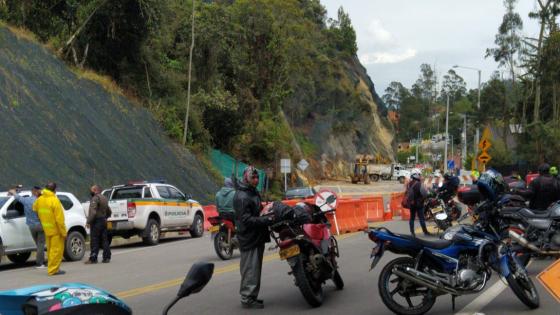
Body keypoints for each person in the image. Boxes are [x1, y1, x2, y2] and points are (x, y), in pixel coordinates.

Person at [234, 166, 275, 309]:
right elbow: (246, 220)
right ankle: (247, 298)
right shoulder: (242, 196)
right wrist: (265, 220)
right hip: (249, 238)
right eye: (253, 177)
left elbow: (255, 212)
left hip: (257, 236)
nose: (256, 180)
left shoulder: (251, 191)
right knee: (250, 269)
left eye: (257, 177)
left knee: (255, 268)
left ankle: (251, 296)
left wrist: (265, 211)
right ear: (246, 177)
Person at [33, 182, 66, 275]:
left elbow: (34, 208)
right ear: (54, 190)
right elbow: (59, 219)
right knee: (56, 251)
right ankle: (53, 270)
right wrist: (63, 232)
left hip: (47, 229)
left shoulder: (39, 199)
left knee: (50, 250)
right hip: (56, 230)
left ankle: (52, 268)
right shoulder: (54, 200)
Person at [8, 186, 45, 268]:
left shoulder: (26, 200)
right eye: (39, 191)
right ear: (36, 192)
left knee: (38, 245)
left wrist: (13, 192)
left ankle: (40, 262)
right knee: (41, 245)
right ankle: (40, 263)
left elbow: (18, 197)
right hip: (40, 225)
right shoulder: (40, 201)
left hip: (31, 226)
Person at [85, 185, 112, 264]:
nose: (90, 192)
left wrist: (88, 221)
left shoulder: (95, 198)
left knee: (94, 240)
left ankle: (93, 258)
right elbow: (109, 211)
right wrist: (105, 218)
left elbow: (93, 212)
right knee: (104, 239)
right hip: (103, 221)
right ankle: (107, 257)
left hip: (97, 222)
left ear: (95, 190)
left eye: (91, 190)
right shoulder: (104, 198)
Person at [405, 169, 431, 237]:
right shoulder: (419, 184)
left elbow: (407, 193)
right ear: (416, 175)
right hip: (419, 204)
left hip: (412, 204)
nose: (420, 176)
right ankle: (425, 232)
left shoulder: (408, 184)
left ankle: (412, 233)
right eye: (419, 174)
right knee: (421, 218)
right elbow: (425, 194)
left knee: (412, 218)